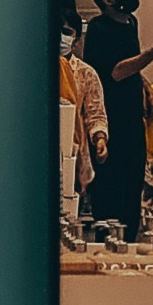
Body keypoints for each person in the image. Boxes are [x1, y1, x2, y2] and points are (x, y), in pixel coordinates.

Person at [81, 0, 153, 243]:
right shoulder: (98, 29)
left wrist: (145, 86)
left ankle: (130, 247)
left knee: (133, 188)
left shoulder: (130, 22)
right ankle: (108, 254)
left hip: (132, 119)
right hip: (109, 121)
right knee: (110, 194)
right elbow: (115, 71)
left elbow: (131, 65)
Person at [58, 15, 108, 233]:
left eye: (67, 32)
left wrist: (100, 139)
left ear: (76, 37)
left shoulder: (86, 73)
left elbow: (95, 112)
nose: (62, 37)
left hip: (74, 153)